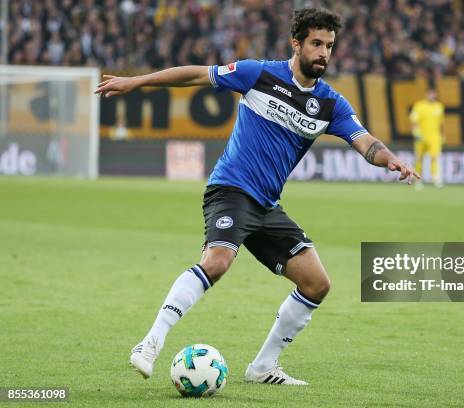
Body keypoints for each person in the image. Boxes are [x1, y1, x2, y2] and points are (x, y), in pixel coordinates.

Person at [95, 8, 419, 386]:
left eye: (329, 46)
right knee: (217, 261)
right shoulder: (259, 73)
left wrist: (391, 160)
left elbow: (366, 143)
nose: (324, 53)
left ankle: (263, 367)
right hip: (231, 188)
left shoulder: (331, 105)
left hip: (266, 206)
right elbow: (197, 74)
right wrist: (137, 83)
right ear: (296, 44)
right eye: (316, 44)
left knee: (317, 283)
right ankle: (150, 343)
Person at [410, 85, 445, 188]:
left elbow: (442, 123)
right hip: (421, 137)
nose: (431, 96)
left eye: (433, 94)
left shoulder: (439, 106)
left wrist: (443, 134)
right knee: (419, 159)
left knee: (434, 158)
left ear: (435, 95)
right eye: (430, 93)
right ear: (426, 94)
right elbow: (413, 121)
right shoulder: (419, 106)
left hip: (434, 137)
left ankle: (436, 179)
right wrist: (416, 133)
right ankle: (418, 180)